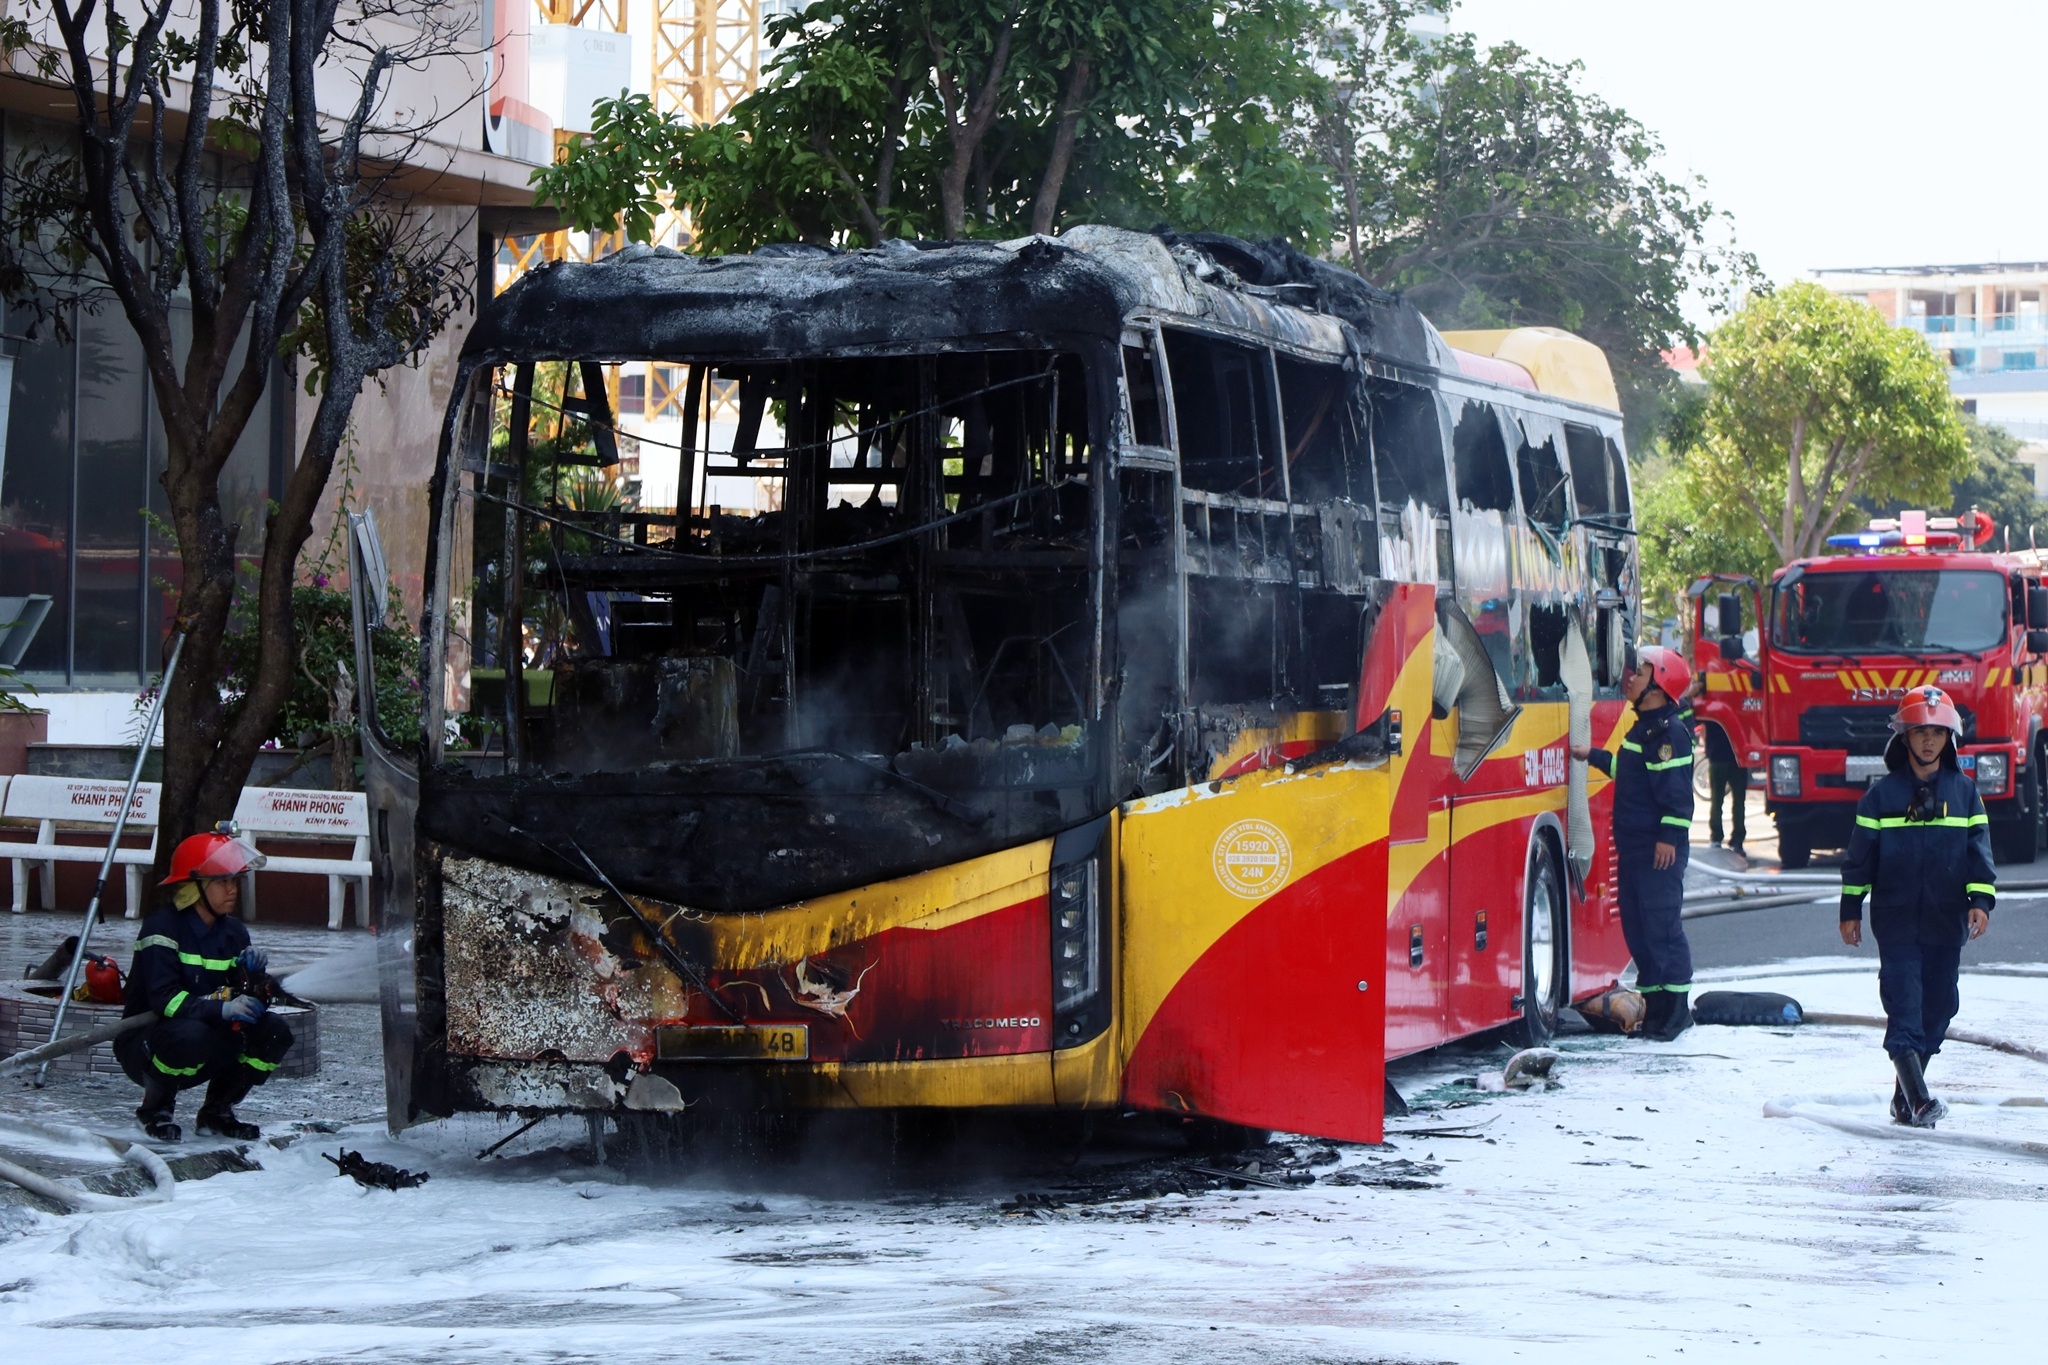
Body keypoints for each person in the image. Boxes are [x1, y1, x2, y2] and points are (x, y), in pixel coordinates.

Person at [1838, 685, 1993, 1128]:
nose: (1929, 741)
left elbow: (1978, 853)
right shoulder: (1880, 798)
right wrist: (1851, 908)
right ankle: (1921, 1101)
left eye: (1938, 733)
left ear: (1949, 741)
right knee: (1904, 1005)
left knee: (1939, 1007)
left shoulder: (1965, 794)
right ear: (1903, 737)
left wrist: (1981, 901)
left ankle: (1903, 1098)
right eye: (1920, 732)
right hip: (1898, 920)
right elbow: (1859, 859)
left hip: (1947, 921)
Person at [116, 829, 293, 1141]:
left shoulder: (234, 933)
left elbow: (243, 993)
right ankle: (155, 1111)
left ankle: (217, 1112)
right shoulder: (162, 927)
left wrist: (254, 981)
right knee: (190, 1034)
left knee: (274, 1030)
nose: (232, 889)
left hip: (207, 1036)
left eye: (234, 880)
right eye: (222, 881)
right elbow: (164, 1000)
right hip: (147, 1042)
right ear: (194, 886)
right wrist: (221, 1008)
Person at [1573, 646, 1697, 1041]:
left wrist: (1669, 838)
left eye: (1641, 675)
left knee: (1662, 929)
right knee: (1639, 930)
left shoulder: (1668, 735)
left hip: (1657, 851)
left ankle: (1676, 1013)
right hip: (1634, 850)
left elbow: (1677, 795)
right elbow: (1630, 775)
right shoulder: (1643, 730)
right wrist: (1589, 755)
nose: (1631, 679)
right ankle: (1656, 1012)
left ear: (1658, 689)